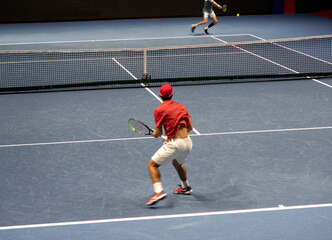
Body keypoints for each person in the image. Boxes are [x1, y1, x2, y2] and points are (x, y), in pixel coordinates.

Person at [146, 84, 194, 206]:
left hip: (176, 144)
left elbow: (158, 133)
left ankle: (158, 192)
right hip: (188, 142)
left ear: (160, 95)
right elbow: (190, 127)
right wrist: (173, 137)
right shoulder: (182, 107)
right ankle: (186, 187)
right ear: (172, 95)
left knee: (152, 165)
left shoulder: (158, 110)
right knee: (177, 163)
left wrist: (155, 134)